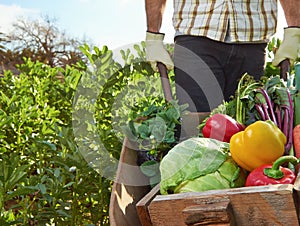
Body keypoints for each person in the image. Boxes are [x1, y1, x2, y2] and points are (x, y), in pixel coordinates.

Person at [145, 0, 300, 112]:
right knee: (196, 130)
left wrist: (294, 30)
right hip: (196, 34)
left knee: (247, 130)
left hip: (251, 38)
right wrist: (153, 36)